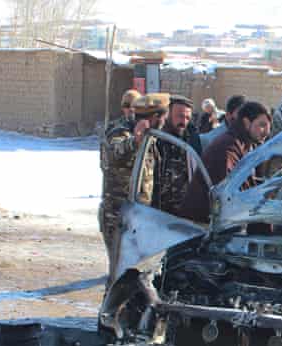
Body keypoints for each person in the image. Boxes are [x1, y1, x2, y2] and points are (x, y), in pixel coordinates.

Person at [98, 90, 166, 266]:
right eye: (127, 106)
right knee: (121, 272)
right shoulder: (119, 131)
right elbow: (114, 153)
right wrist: (134, 141)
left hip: (140, 215)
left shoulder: (150, 135)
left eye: (133, 107)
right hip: (119, 215)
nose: (130, 110)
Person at [180, 101, 272, 223]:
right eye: (262, 125)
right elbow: (229, 193)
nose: (266, 132)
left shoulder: (244, 144)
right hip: (201, 226)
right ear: (246, 122)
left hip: (217, 221)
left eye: (268, 127)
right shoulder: (228, 147)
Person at [143, 95, 202, 216]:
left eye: (187, 117)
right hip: (155, 211)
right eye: (180, 116)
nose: (184, 122)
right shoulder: (155, 139)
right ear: (168, 115)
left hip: (182, 213)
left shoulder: (191, 140)